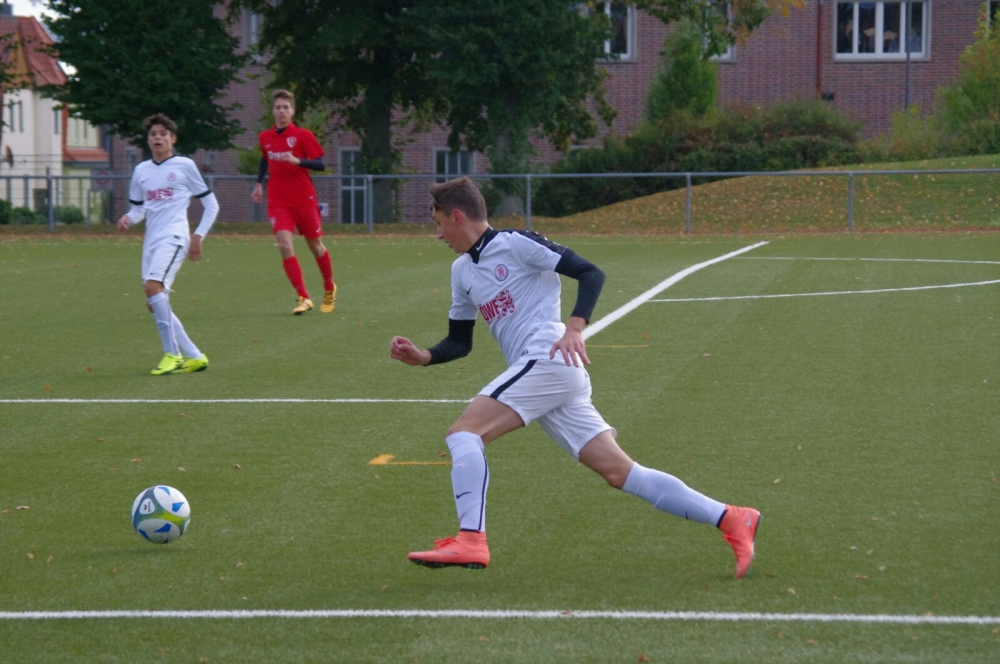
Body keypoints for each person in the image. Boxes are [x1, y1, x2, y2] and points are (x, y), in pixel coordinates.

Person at [389, 177, 761, 578]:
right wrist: (423, 357)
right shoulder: (462, 271)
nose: (437, 234)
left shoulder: (515, 243)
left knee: (464, 434)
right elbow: (460, 342)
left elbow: (589, 272)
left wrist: (575, 328)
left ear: (457, 216)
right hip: (548, 374)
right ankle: (731, 517)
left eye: (438, 223)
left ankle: (471, 538)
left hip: (548, 358)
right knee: (620, 472)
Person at [117, 114, 219, 376]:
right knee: (154, 302)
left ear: (173, 139)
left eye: (163, 134)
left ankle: (172, 354)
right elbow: (139, 209)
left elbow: (211, 204)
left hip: (174, 236)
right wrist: (128, 217)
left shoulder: (184, 165)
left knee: (153, 288)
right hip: (151, 241)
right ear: (148, 140)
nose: (157, 138)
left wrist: (198, 236)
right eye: (153, 134)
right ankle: (195, 356)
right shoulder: (141, 171)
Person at [251, 89, 336, 315]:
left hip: (304, 199)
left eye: (285, 107)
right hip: (279, 201)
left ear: (292, 111)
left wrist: (298, 161)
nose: (281, 111)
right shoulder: (265, 137)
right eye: (278, 107)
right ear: (273, 111)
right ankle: (303, 298)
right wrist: (258, 183)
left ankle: (329, 287)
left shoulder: (303, 135)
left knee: (315, 247)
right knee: (284, 245)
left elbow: (321, 164)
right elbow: (265, 159)